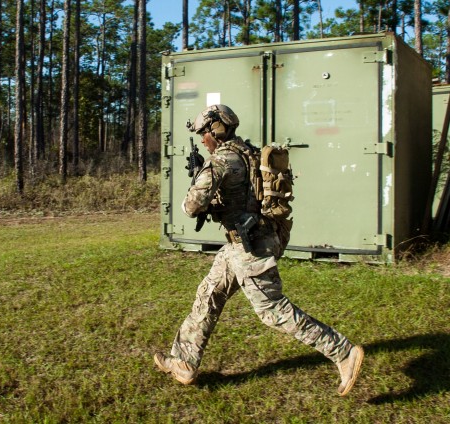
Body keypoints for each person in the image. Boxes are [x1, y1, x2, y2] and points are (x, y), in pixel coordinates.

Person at [153, 104, 364, 396]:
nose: (203, 140)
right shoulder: (249, 152)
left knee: (272, 310)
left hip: (249, 248)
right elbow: (243, 198)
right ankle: (183, 362)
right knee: (208, 294)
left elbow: (191, 207)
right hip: (255, 238)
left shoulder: (222, 160)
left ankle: (343, 352)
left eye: (204, 133)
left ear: (217, 129)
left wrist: (198, 181)